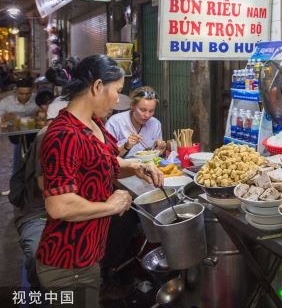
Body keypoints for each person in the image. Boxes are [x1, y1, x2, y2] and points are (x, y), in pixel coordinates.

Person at [36, 55, 163, 308]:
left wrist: (137, 166)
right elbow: (59, 206)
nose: (118, 99)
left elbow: (105, 163)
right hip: (67, 263)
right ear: (96, 87)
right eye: (116, 91)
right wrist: (112, 206)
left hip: (88, 257)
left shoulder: (93, 124)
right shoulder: (64, 134)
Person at [11, 97, 68, 288]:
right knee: (39, 256)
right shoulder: (49, 137)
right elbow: (47, 186)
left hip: (68, 208)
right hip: (39, 213)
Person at [105, 86, 166, 158]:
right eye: (142, 110)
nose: (147, 115)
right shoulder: (115, 122)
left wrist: (158, 151)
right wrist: (126, 146)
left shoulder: (155, 124)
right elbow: (107, 157)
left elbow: (154, 156)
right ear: (132, 106)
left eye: (151, 111)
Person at [0, 77, 38, 174]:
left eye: (28, 93)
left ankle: (31, 171)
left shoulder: (36, 99)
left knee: (35, 151)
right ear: (16, 91)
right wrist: (3, 118)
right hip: (15, 133)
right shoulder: (7, 102)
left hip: (32, 131)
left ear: (32, 91)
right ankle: (18, 172)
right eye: (21, 93)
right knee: (18, 150)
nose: (24, 96)